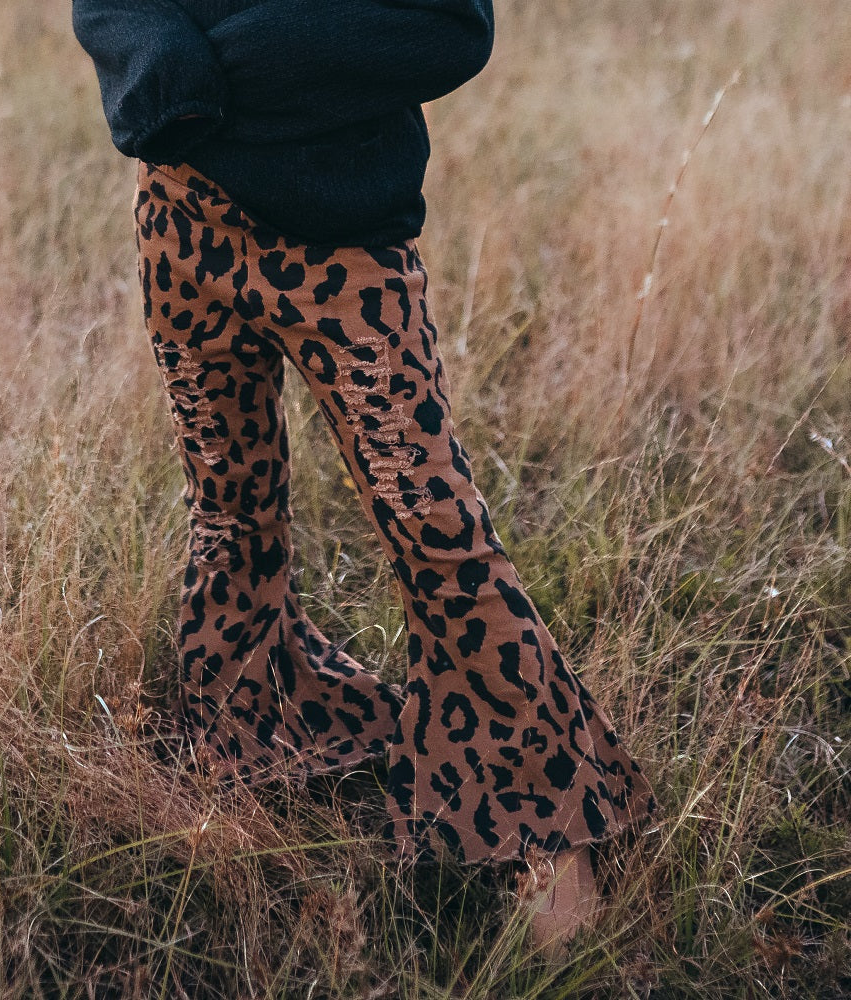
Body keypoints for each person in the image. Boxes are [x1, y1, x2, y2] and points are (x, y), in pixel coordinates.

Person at [72, 0, 661, 959]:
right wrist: (172, 87)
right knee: (229, 508)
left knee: (436, 530)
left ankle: (539, 824)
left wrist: (214, 85)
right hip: (180, 221)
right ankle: (247, 727)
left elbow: (444, 27)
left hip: (345, 250)